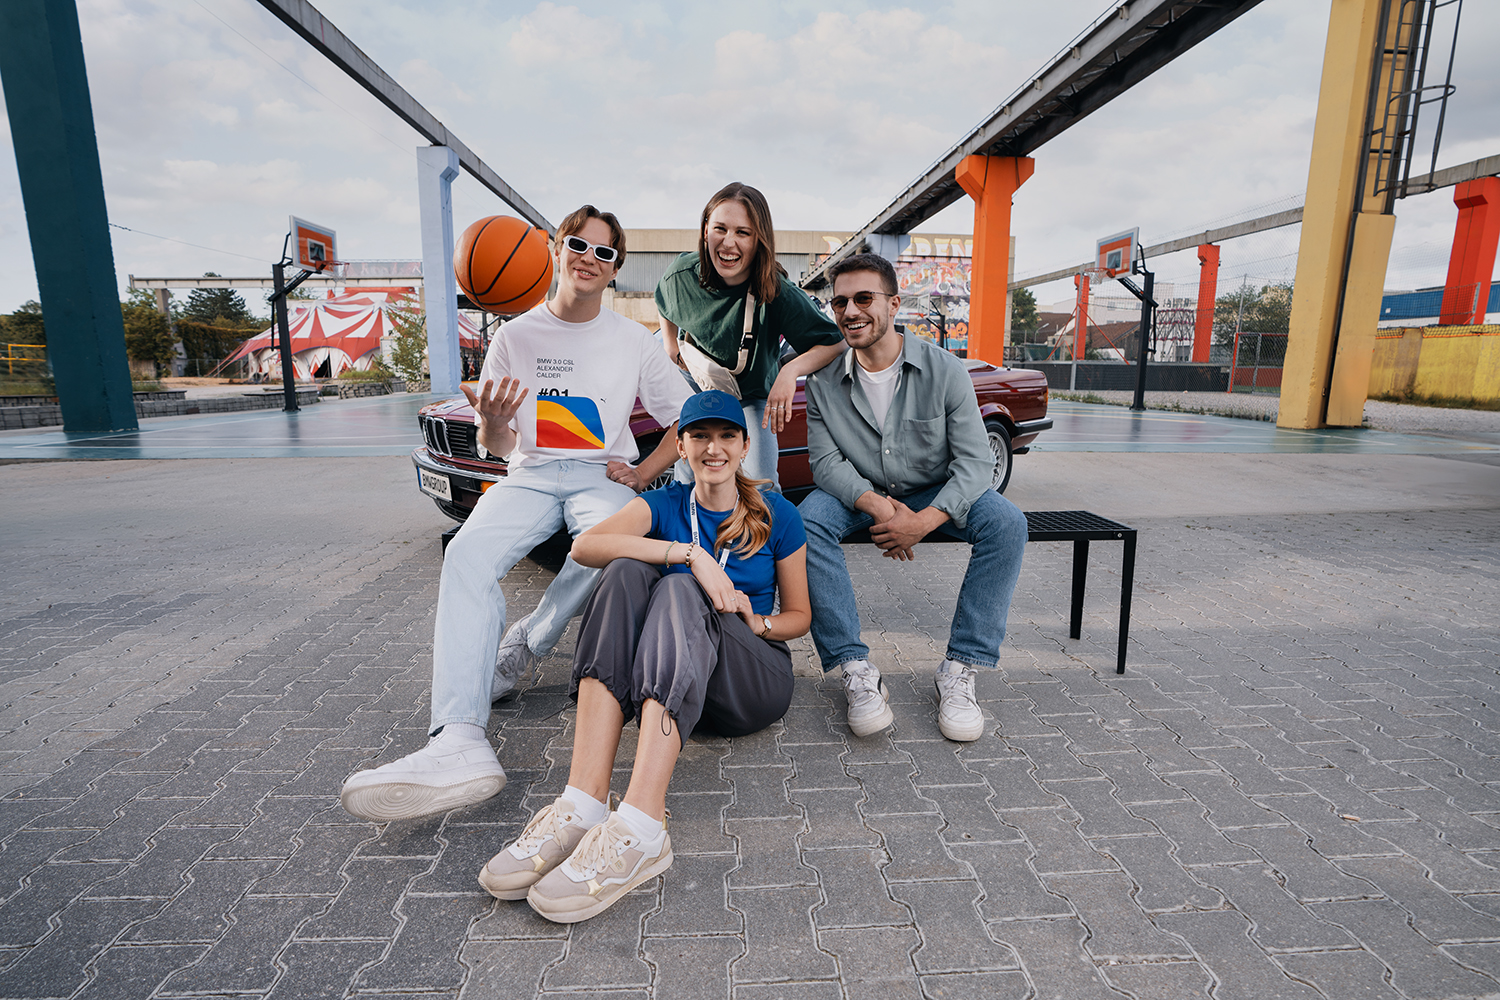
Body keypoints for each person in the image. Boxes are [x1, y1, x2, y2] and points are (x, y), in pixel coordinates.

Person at [339, 206, 692, 823]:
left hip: (596, 475)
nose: (589, 257)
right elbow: (497, 448)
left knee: (607, 547)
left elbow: (686, 416)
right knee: (467, 555)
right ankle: (458, 739)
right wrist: (495, 425)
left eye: (604, 252)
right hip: (528, 472)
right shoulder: (515, 336)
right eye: (578, 244)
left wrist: (640, 472)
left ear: (614, 270)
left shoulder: (632, 340)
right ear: (556, 250)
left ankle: (529, 641)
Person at [477, 390, 811, 923]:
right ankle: (582, 803)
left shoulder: (778, 515)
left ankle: (640, 827)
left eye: (726, 435)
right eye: (700, 435)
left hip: (752, 681)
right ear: (680, 446)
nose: (713, 447)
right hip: (680, 683)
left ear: (745, 445)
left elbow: (800, 617)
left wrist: (756, 621)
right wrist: (688, 554)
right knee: (627, 570)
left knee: (678, 592)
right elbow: (585, 546)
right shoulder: (664, 506)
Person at [798, 253, 1027, 742]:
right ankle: (854, 669)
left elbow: (974, 464)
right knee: (806, 522)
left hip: (935, 492)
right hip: (859, 493)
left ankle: (961, 668)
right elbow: (825, 464)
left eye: (864, 298)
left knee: (1006, 522)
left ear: (894, 304)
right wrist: (880, 507)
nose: (850, 310)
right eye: (840, 302)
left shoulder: (945, 370)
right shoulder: (821, 381)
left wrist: (923, 521)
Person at [655, 181, 846, 491]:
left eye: (742, 233)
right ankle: (690, 537)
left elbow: (834, 341)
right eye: (720, 228)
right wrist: (668, 341)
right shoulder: (680, 274)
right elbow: (662, 299)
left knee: (761, 485)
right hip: (697, 387)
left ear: (759, 239)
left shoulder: (777, 291)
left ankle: (763, 536)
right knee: (689, 481)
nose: (728, 243)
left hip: (751, 394)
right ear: (705, 230)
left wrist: (790, 371)